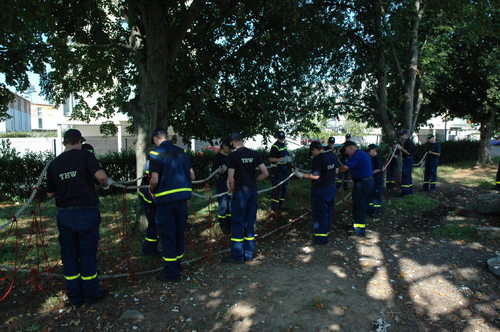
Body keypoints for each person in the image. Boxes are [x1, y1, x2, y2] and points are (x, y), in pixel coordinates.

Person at [46, 129, 109, 308]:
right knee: (88, 253)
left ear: (64, 142)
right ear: (80, 141)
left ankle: (74, 296)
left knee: (69, 255)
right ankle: (90, 293)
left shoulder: (55, 163)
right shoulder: (86, 157)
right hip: (86, 212)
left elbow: (50, 193)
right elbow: (101, 177)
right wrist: (103, 184)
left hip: (65, 214)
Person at [148, 128, 195, 282]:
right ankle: (178, 265)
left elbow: (154, 179)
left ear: (156, 138)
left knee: (167, 235)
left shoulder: (155, 154)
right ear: (167, 137)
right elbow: (192, 175)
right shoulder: (182, 152)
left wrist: (151, 189)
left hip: (165, 200)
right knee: (179, 232)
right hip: (182, 198)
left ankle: (171, 273)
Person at [223, 132, 269, 264]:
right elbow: (265, 173)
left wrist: (231, 188)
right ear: (243, 141)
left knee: (237, 223)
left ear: (233, 143)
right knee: (250, 222)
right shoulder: (254, 154)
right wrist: (254, 180)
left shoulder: (233, 156)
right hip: (252, 191)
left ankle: (237, 256)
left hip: (240, 192)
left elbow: (231, 179)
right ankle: (249, 254)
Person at [294, 141, 341, 244]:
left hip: (320, 190)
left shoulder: (318, 158)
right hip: (331, 188)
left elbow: (315, 176)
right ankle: (326, 233)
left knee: (320, 213)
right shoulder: (332, 155)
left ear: (314, 149)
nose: (312, 155)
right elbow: (336, 171)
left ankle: (321, 238)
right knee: (328, 212)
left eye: (312, 152)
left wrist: (300, 175)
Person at [339, 141, 374, 237]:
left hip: (363, 183)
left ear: (352, 148)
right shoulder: (362, 154)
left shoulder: (357, 155)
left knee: (360, 205)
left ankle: (359, 230)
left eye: (346, 151)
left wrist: (334, 170)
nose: (346, 153)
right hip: (363, 182)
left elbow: (345, 167)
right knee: (357, 204)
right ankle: (356, 225)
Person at [139, 155, 160, 256]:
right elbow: (151, 180)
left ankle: (152, 248)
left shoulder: (154, 161)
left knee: (155, 224)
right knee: (153, 223)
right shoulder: (151, 163)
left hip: (150, 196)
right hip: (148, 196)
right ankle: (148, 249)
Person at [269, 130, 291, 211]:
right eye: (280, 138)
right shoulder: (275, 146)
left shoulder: (283, 145)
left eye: (283, 138)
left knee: (284, 189)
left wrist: (289, 157)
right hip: (277, 172)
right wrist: (280, 159)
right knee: (276, 189)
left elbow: (286, 154)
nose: (282, 140)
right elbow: (271, 159)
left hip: (285, 171)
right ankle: (274, 208)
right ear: (277, 137)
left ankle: (280, 206)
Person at [213, 138, 232, 235]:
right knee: (223, 205)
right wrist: (219, 171)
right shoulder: (218, 158)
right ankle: (223, 226)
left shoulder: (231, 156)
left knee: (230, 205)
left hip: (232, 183)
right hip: (222, 183)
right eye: (229, 147)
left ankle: (230, 225)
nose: (230, 149)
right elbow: (213, 174)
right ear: (224, 145)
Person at [367, 144, 383, 218]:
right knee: (370, 195)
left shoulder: (377, 159)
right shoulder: (371, 158)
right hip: (372, 181)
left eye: (370, 151)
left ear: (374, 150)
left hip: (377, 181)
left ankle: (376, 211)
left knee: (376, 197)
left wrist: (369, 173)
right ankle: (370, 210)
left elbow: (378, 169)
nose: (369, 152)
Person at [399, 130, 414, 195]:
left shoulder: (409, 142)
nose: (402, 137)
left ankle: (405, 191)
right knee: (408, 175)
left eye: (402, 135)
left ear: (405, 135)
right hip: (408, 159)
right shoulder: (407, 142)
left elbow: (408, 152)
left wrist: (401, 148)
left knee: (405, 174)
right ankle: (409, 191)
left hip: (408, 159)